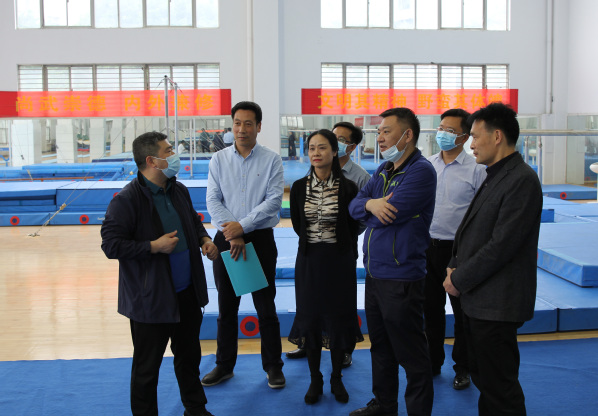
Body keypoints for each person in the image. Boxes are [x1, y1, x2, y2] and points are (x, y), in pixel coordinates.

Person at [100, 131, 218, 416]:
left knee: (189, 358)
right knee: (147, 368)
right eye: (168, 151)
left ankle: (196, 409)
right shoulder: (126, 200)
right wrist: (153, 246)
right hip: (151, 299)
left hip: (187, 293)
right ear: (152, 161)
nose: (174, 155)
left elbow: (193, 221)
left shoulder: (178, 190)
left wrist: (204, 239)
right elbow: (111, 245)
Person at [443, 103, 543, 416]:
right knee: (484, 378)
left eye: (475, 136)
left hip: (498, 302)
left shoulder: (521, 180)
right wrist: (454, 261)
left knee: (499, 386)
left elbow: (502, 245)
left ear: (497, 136)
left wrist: (459, 278)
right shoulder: (495, 174)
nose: (471, 144)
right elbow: (473, 229)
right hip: (479, 299)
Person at [349, 107, 435, 416]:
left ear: (407, 135)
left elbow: (391, 215)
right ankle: (384, 405)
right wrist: (372, 204)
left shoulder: (421, 171)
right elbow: (354, 207)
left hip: (402, 276)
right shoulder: (384, 170)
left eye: (387, 131)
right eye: (379, 132)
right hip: (375, 274)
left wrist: (370, 209)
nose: (380, 137)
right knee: (381, 347)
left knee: (411, 353)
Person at [203, 101, 286, 389]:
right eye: (237, 123)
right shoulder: (218, 160)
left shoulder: (272, 160)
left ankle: (273, 367)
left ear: (258, 127)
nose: (241, 129)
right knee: (227, 307)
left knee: (266, 308)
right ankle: (224, 365)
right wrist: (233, 231)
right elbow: (212, 199)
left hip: (260, 239)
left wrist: (243, 226)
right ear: (232, 125)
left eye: (248, 123)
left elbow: (274, 200)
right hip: (227, 239)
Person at [287, 129, 363, 404]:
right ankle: (315, 378)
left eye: (322, 148)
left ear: (334, 151)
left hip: (339, 261)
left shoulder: (349, 187)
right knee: (311, 319)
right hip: (309, 261)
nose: (316, 153)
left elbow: (353, 226)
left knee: (338, 318)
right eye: (311, 148)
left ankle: (336, 378)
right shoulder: (298, 188)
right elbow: (298, 225)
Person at [424, 109, 486, 390]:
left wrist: (465, 255)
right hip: (427, 246)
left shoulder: (477, 170)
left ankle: (463, 367)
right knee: (430, 310)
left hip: (458, 251)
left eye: (450, 130)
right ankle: (432, 361)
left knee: (462, 313)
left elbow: (481, 215)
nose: (443, 134)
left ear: (463, 136)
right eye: (441, 128)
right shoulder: (427, 165)